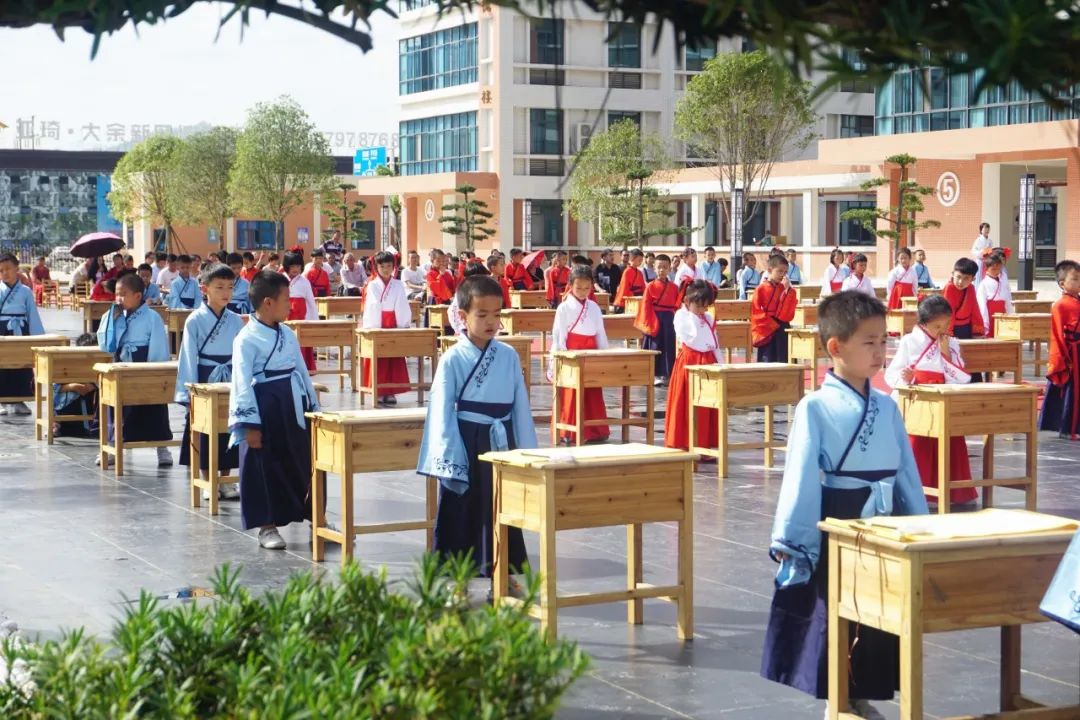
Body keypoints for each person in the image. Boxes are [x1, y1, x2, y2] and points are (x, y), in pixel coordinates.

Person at [761, 290, 929, 717]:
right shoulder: (814, 407)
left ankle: (861, 694)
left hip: (885, 518)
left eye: (884, 341)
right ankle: (838, 698)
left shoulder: (887, 406)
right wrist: (796, 540)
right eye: (869, 342)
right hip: (841, 516)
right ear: (835, 347)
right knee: (838, 608)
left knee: (880, 611)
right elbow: (800, 477)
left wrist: (919, 523)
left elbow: (906, 471)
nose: (880, 351)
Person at [417, 275, 535, 590]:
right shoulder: (452, 358)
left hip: (502, 439)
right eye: (482, 315)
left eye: (496, 314)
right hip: (467, 441)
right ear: (462, 315)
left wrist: (527, 450)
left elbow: (520, 406)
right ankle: (456, 580)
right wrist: (449, 453)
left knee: (503, 507)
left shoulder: (508, 355)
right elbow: (441, 410)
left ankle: (503, 573)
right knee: (461, 511)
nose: (491, 322)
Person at [228, 270, 321, 550]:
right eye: (286, 299)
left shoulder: (288, 334)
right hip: (264, 406)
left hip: (293, 403)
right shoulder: (245, 338)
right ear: (268, 303)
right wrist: (249, 425)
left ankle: (318, 518)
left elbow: (301, 370)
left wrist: (313, 404)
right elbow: (241, 383)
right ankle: (266, 526)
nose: (291, 305)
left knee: (303, 461)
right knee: (263, 466)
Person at [884, 295, 976, 505]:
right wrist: (907, 377)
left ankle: (954, 493)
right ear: (924, 323)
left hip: (944, 396)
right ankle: (917, 493)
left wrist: (946, 355)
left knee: (951, 443)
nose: (942, 330)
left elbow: (962, 377)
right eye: (937, 326)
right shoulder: (909, 341)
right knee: (919, 444)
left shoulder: (951, 343)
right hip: (919, 398)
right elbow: (892, 374)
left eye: (946, 325)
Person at [176, 263, 245, 500]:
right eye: (219, 287)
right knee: (205, 431)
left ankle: (225, 480)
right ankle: (208, 481)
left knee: (228, 428)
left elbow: (242, 354)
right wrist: (189, 391)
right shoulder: (194, 320)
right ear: (205, 289)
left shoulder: (235, 320)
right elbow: (187, 356)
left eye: (230, 287)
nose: (226, 292)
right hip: (204, 377)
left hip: (230, 377)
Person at [96, 271, 173, 467]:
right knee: (117, 408)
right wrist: (111, 320)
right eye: (116, 294)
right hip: (120, 365)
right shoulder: (113, 314)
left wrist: (156, 372)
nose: (118, 298)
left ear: (138, 296)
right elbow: (105, 345)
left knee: (155, 407)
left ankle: (162, 447)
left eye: (123, 294)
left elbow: (158, 346)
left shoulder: (152, 317)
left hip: (145, 365)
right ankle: (113, 446)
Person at [550, 265, 609, 444]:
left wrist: (604, 354)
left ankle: (596, 430)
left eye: (587, 288)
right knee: (571, 393)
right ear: (570, 285)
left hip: (591, 353)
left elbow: (600, 333)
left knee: (592, 391)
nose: (583, 292)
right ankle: (569, 431)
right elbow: (559, 336)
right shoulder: (563, 308)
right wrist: (560, 357)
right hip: (572, 354)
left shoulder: (594, 307)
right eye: (579, 288)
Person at [664, 280, 721, 451]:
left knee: (708, 403)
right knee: (687, 401)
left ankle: (705, 443)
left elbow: (715, 343)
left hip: (709, 360)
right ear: (687, 301)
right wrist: (691, 312)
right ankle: (685, 442)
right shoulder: (681, 316)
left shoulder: (709, 318)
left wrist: (721, 364)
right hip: (690, 361)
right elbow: (692, 338)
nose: (703, 310)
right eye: (699, 306)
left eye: (706, 306)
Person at [362, 250, 412, 406]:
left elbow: (402, 305)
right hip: (378, 322)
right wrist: (375, 327)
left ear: (393, 267)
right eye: (382, 266)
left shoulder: (398, 284)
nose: (385, 269)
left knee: (393, 357)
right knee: (379, 358)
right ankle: (378, 390)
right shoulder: (372, 285)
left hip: (393, 323)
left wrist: (402, 324)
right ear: (376, 267)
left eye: (389, 266)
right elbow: (372, 306)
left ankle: (391, 391)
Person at [1038, 260, 1080, 440]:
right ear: (1063, 283)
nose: (1079, 282)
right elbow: (1056, 335)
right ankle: (1066, 427)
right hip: (1071, 354)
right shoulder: (1060, 305)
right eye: (1075, 279)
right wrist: (1062, 359)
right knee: (1071, 391)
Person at [0, 253, 45, 416]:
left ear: (16, 269)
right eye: (1, 270)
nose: (5, 273)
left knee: (22, 365)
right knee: (2, 365)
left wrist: (37, 337)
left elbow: (32, 314)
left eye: (8, 269)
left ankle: (20, 399)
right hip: (2, 329)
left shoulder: (25, 291)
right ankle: (1, 401)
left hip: (21, 330)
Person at [636, 254, 679, 385]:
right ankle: (652, 374)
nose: (662, 270)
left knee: (668, 346)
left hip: (669, 319)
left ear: (670, 269)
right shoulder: (650, 286)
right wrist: (648, 324)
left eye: (665, 267)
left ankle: (667, 374)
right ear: (654, 268)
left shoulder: (674, 287)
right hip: (654, 317)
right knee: (654, 345)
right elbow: (645, 306)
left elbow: (677, 305)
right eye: (659, 267)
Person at [51, 333, 99, 437]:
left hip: (92, 407)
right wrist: (72, 386)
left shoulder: (102, 363)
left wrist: (93, 385)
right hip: (70, 407)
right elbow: (54, 386)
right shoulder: (69, 364)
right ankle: (57, 424)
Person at [752, 254, 797, 363]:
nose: (782, 275)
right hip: (767, 328)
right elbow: (755, 311)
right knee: (768, 359)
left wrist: (788, 291)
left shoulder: (784, 288)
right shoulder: (761, 289)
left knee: (784, 357)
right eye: (780, 271)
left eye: (785, 272)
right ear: (770, 270)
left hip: (782, 326)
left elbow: (788, 312)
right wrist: (770, 324)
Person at [943, 258, 983, 339]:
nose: (960, 282)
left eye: (966, 278)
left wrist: (977, 332)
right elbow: (949, 312)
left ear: (973, 279)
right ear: (953, 274)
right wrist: (948, 333)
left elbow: (975, 309)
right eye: (958, 277)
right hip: (953, 328)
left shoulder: (971, 288)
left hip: (967, 327)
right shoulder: (949, 288)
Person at [976, 250, 1013, 338]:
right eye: (993, 269)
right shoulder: (983, 284)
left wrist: (1010, 314)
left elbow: (1008, 298)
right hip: (990, 313)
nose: (996, 271)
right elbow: (982, 305)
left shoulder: (1003, 280)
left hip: (1003, 312)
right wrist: (985, 321)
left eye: (998, 269)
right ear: (986, 269)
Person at [614, 248, 647, 312]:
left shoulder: (640, 273)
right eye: (639, 260)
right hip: (626, 302)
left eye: (641, 260)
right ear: (632, 258)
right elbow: (624, 288)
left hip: (637, 299)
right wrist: (635, 294)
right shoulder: (627, 271)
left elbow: (643, 287)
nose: (641, 262)